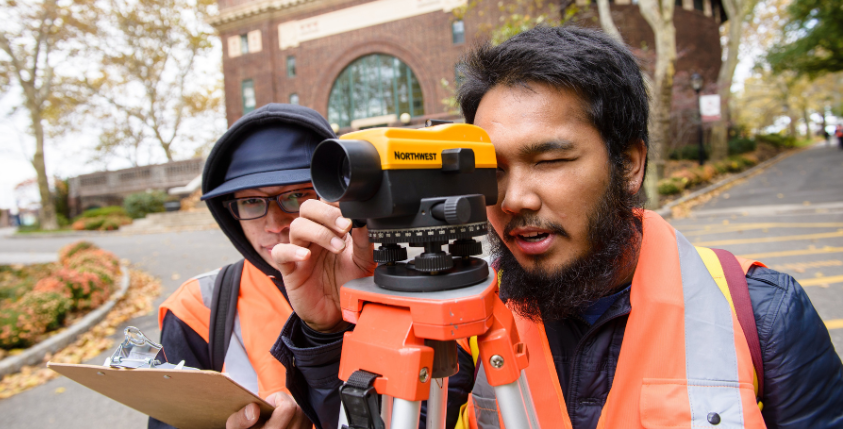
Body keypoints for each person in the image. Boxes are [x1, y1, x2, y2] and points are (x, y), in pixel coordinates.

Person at [236, 27, 843, 429]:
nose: (516, 197)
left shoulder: (759, 318)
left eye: (550, 160)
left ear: (629, 164)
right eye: (492, 169)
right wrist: (327, 331)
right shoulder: (459, 323)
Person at [150, 103, 341, 429]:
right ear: (229, 212)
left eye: (295, 196)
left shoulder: (395, 285)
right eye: (251, 201)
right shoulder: (196, 309)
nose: (274, 224)